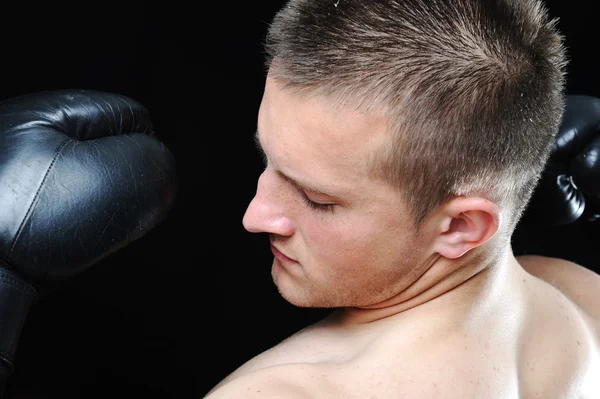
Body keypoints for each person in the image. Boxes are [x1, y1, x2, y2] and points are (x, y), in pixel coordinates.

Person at [206, 0, 600, 397]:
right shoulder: (587, 296)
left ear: (461, 226)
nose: (254, 216)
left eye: (316, 199)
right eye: (267, 159)